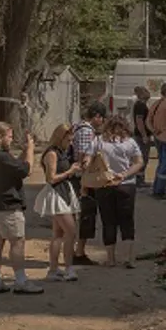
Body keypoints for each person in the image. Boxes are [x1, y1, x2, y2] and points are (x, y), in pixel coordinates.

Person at [0, 121, 45, 295]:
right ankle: (21, 281)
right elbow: (26, 170)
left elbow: (15, 165)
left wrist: (24, 151)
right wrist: (30, 149)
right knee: (17, 242)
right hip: (7, 206)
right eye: (9, 137)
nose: (11, 140)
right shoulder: (1, 157)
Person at [90, 115, 144, 268]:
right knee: (127, 221)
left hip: (104, 184)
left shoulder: (98, 141)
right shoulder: (130, 142)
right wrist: (125, 174)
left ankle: (111, 259)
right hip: (126, 184)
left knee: (108, 222)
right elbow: (139, 162)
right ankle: (128, 258)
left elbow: (88, 160)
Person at [32, 123, 82, 282]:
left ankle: (53, 269)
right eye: (68, 140)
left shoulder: (63, 153)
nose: (70, 143)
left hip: (65, 191)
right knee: (71, 231)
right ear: (60, 138)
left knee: (58, 233)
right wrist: (70, 172)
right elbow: (51, 178)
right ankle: (68, 268)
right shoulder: (52, 154)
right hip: (56, 193)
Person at [69, 102, 108, 265]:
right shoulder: (86, 131)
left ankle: (72, 251)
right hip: (83, 178)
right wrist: (86, 182)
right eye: (102, 118)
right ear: (97, 116)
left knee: (78, 214)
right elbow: (84, 157)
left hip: (78, 177)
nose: (102, 122)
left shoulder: (77, 127)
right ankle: (78, 252)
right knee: (86, 214)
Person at [131, 86, 153, 188]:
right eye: (146, 91)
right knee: (142, 157)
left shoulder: (142, 104)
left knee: (144, 157)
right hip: (141, 136)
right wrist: (144, 135)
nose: (149, 93)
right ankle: (139, 180)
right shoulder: (140, 105)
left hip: (142, 135)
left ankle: (140, 179)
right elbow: (139, 121)